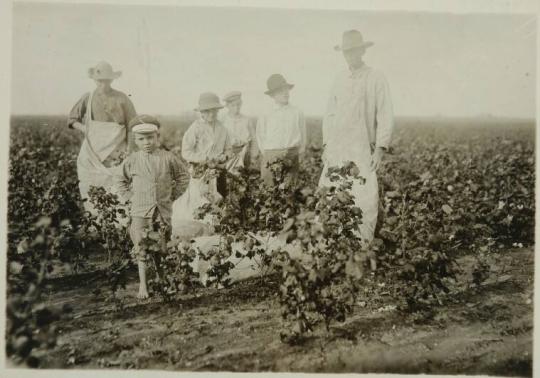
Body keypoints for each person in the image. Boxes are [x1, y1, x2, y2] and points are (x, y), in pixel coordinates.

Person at [319, 30, 395, 269]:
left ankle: (360, 253)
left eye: (354, 51)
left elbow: (385, 113)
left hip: (362, 148)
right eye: (346, 52)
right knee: (331, 193)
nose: (350, 56)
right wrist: (326, 145)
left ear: (362, 51)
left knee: (365, 197)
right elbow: (330, 115)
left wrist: (380, 148)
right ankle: (333, 251)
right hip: (338, 148)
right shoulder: (339, 79)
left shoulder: (375, 77)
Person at [115, 115, 188, 299]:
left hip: (162, 212)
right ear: (136, 141)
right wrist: (130, 197)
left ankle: (162, 280)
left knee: (161, 247)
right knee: (142, 247)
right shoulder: (132, 160)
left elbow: (183, 177)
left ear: (157, 137)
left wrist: (173, 195)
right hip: (141, 212)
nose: (146, 142)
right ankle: (143, 286)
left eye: (150, 138)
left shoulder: (167, 157)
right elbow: (120, 180)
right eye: (141, 139)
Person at [68, 61, 137, 212]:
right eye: (100, 81)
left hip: (117, 151)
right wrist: (85, 128)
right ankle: (96, 222)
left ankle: (118, 225)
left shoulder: (122, 98)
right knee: (91, 186)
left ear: (112, 80)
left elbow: (132, 126)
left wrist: (130, 149)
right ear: (94, 80)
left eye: (106, 81)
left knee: (117, 187)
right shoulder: (88, 98)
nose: (103, 84)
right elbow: (72, 120)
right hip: (93, 153)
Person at [171, 92, 232, 235]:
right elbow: (186, 152)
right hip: (201, 172)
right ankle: (201, 232)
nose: (211, 114)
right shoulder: (195, 128)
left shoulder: (222, 128)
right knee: (201, 201)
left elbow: (228, 149)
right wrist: (204, 159)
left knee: (219, 198)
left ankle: (217, 231)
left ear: (217, 111)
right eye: (207, 111)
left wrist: (224, 157)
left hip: (218, 170)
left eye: (213, 110)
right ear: (201, 113)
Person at [256, 74, 306, 186]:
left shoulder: (297, 112)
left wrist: (300, 151)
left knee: (289, 191)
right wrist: (269, 154)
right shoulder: (266, 113)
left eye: (286, 89)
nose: (285, 93)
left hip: (291, 155)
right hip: (271, 154)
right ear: (273, 95)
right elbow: (261, 135)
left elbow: (302, 134)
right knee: (269, 190)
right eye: (280, 91)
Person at [220, 91, 259, 173]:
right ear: (227, 106)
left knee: (243, 177)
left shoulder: (247, 120)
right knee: (229, 178)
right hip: (229, 155)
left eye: (238, 104)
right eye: (233, 105)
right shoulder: (223, 121)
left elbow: (254, 139)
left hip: (245, 153)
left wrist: (253, 156)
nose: (236, 107)